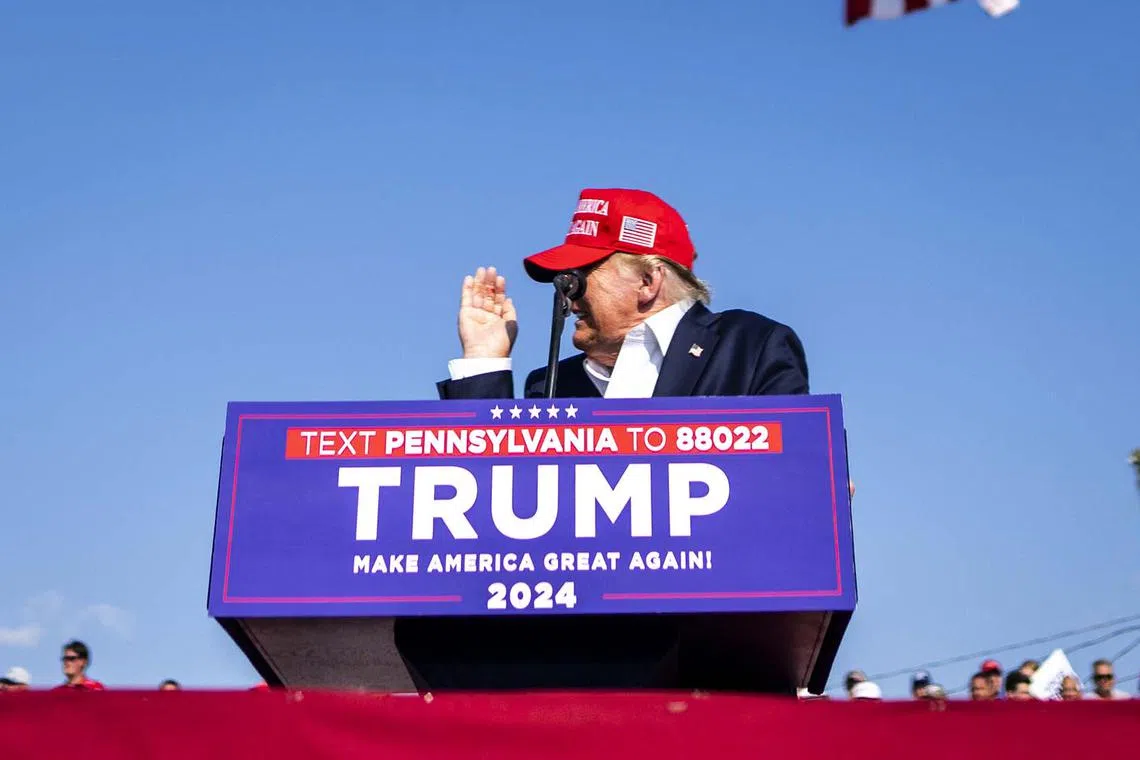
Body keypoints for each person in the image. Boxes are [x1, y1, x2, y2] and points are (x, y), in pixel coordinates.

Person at [437, 188, 809, 401]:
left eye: (581, 276)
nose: (567, 295)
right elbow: (491, 484)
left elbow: (788, 469)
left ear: (648, 281)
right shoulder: (551, 386)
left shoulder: (748, 348)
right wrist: (484, 361)